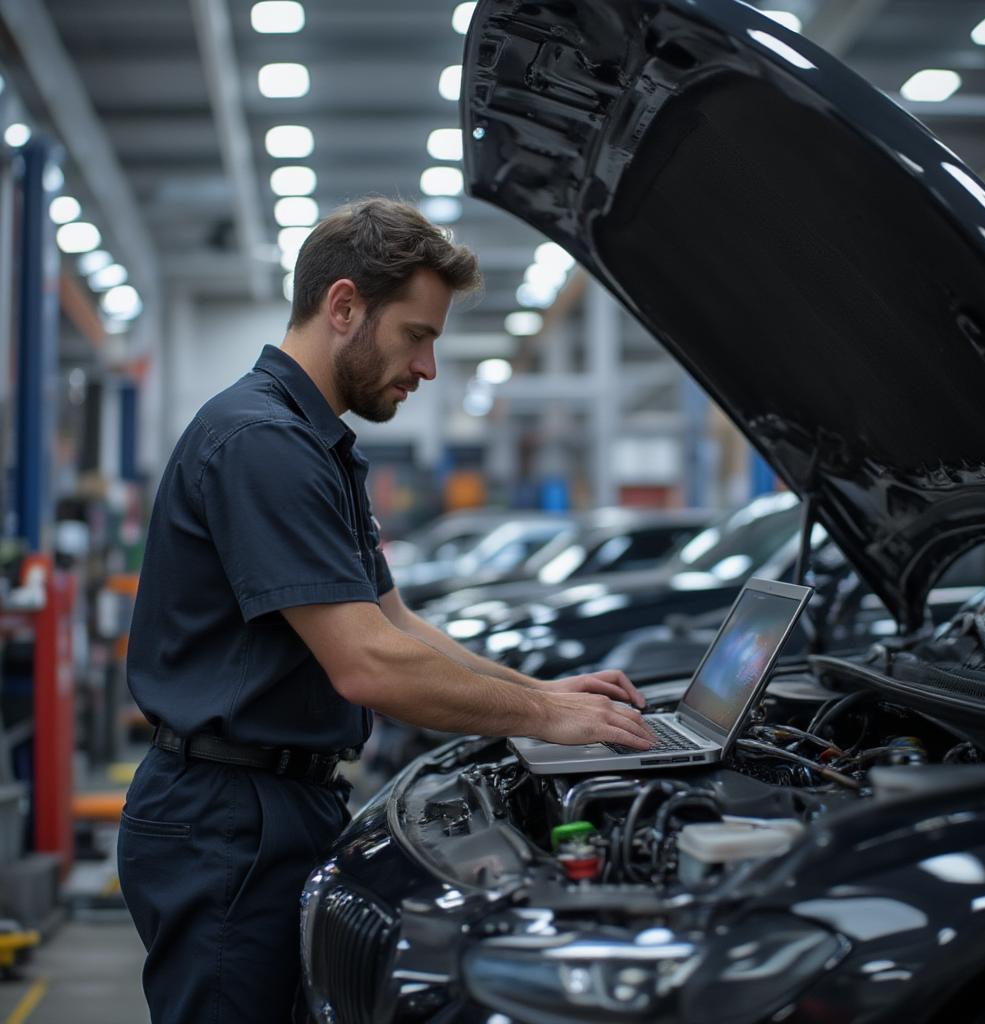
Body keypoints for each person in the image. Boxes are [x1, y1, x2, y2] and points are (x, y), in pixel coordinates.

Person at [118, 197, 657, 1024]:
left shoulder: (315, 444)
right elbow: (366, 662)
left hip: (271, 804)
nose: (429, 366)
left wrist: (548, 694)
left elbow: (396, 624)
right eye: (419, 334)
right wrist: (539, 716)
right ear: (344, 307)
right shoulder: (261, 443)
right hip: (226, 821)